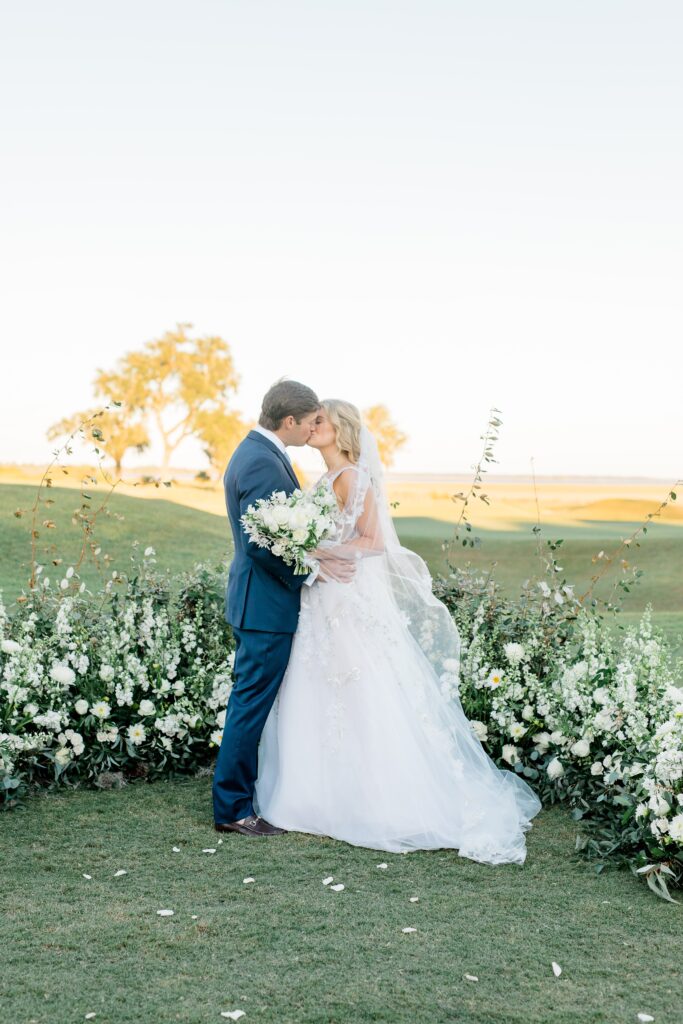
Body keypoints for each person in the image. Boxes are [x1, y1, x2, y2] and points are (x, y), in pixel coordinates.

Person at [253, 399, 543, 864]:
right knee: (316, 689)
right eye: (310, 420)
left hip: (346, 600)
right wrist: (309, 551)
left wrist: (320, 551)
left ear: (341, 429)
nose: (312, 426)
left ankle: (372, 799)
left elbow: (374, 542)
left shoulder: (352, 477)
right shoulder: (324, 480)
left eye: (320, 420)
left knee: (358, 689)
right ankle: (310, 794)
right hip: (321, 598)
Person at [212, 380, 356, 836]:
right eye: (311, 420)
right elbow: (261, 545)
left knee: (250, 702)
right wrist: (309, 574)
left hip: (258, 602)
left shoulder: (256, 452)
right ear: (289, 421)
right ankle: (233, 808)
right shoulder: (262, 462)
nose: (315, 427)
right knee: (250, 705)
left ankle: (241, 796)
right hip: (265, 605)